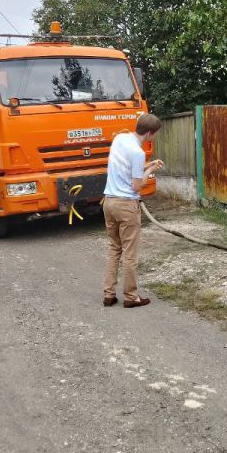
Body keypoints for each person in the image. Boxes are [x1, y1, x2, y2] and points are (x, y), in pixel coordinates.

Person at [102, 113, 163, 308]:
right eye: (154, 135)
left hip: (109, 202)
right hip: (126, 205)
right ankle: (131, 296)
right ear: (149, 133)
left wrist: (148, 165)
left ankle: (109, 294)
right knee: (130, 253)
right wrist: (149, 171)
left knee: (114, 248)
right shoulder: (138, 153)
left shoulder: (120, 139)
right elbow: (137, 185)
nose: (153, 138)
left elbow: (125, 168)